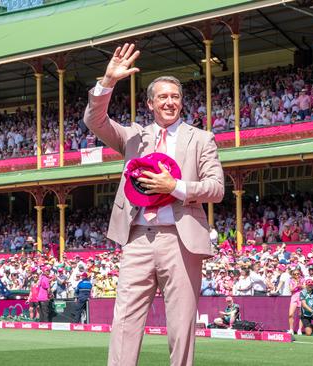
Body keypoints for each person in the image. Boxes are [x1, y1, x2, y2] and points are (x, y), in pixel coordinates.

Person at [83, 43, 224, 366]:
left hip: (181, 239)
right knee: (124, 323)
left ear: (182, 103)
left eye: (175, 97)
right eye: (163, 97)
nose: (170, 102)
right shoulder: (133, 136)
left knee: (181, 326)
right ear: (150, 103)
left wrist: (174, 186)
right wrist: (107, 81)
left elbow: (216, 189)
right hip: (138, 238)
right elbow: (94, 120)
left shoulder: (201, 139)